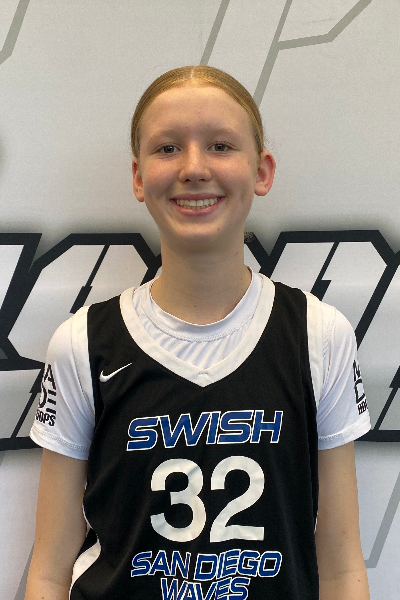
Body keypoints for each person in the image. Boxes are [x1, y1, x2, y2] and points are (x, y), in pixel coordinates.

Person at [25, 65, 371, 600]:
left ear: (262, 171)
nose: (193, 168)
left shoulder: (318, 334)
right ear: (138, 177)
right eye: (167, 149)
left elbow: (343, 569)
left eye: (220, 146)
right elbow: (49, 570)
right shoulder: (83, 343)